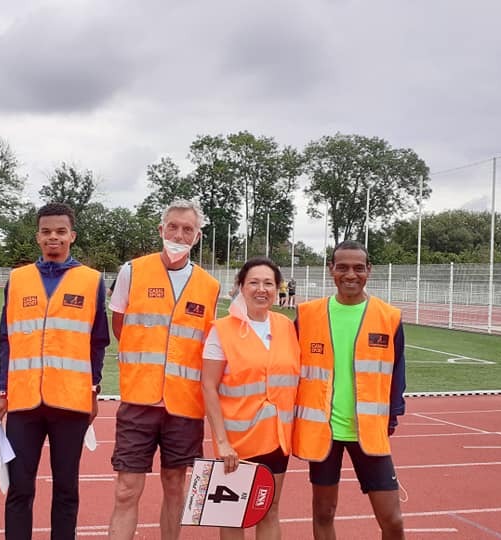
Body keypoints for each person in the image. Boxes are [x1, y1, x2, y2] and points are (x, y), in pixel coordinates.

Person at [0, 202, 110, 540]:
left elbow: (98, 341)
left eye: (60, 231)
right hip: (24, 402)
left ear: (72, 235)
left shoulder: (91, 280)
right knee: (19, 488)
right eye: (46, 232)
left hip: (71, 402)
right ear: (37, 237)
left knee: (66, 489)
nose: (53, 237)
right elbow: (7, 338)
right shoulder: (18, 279)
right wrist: (3, 390)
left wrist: (93, 391)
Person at [108, 199, 221, 540]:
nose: (178, 235)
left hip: (184, 406)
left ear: (197, 236)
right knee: (126, 489)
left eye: (187, 229)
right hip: (138, 402)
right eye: (172, 226)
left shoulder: (209, 286)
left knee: (175, 486)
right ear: (161, 230)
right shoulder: (132, 271)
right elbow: (120, 326)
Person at [293, 240, 406, 540]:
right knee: (324, 513)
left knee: (393, 521)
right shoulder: (307, 315)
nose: (350, 274)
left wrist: (393, 416)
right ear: (331, 269)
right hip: (323, 431)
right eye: (342, 267)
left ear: (369, 270)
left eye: (358, 268)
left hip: (368, 431)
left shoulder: (389, 317)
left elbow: (397, 373)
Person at [202, 257, 300, 540]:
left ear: (277, 288)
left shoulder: (286, 326)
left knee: (269, 509)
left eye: (268, 283)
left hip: (277, 439)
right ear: (241, 286)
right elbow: (208, 386)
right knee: (234, 514)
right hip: (237, 442)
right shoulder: (221, 330)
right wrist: (222, 442)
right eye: (254, 282)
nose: (261, 289)